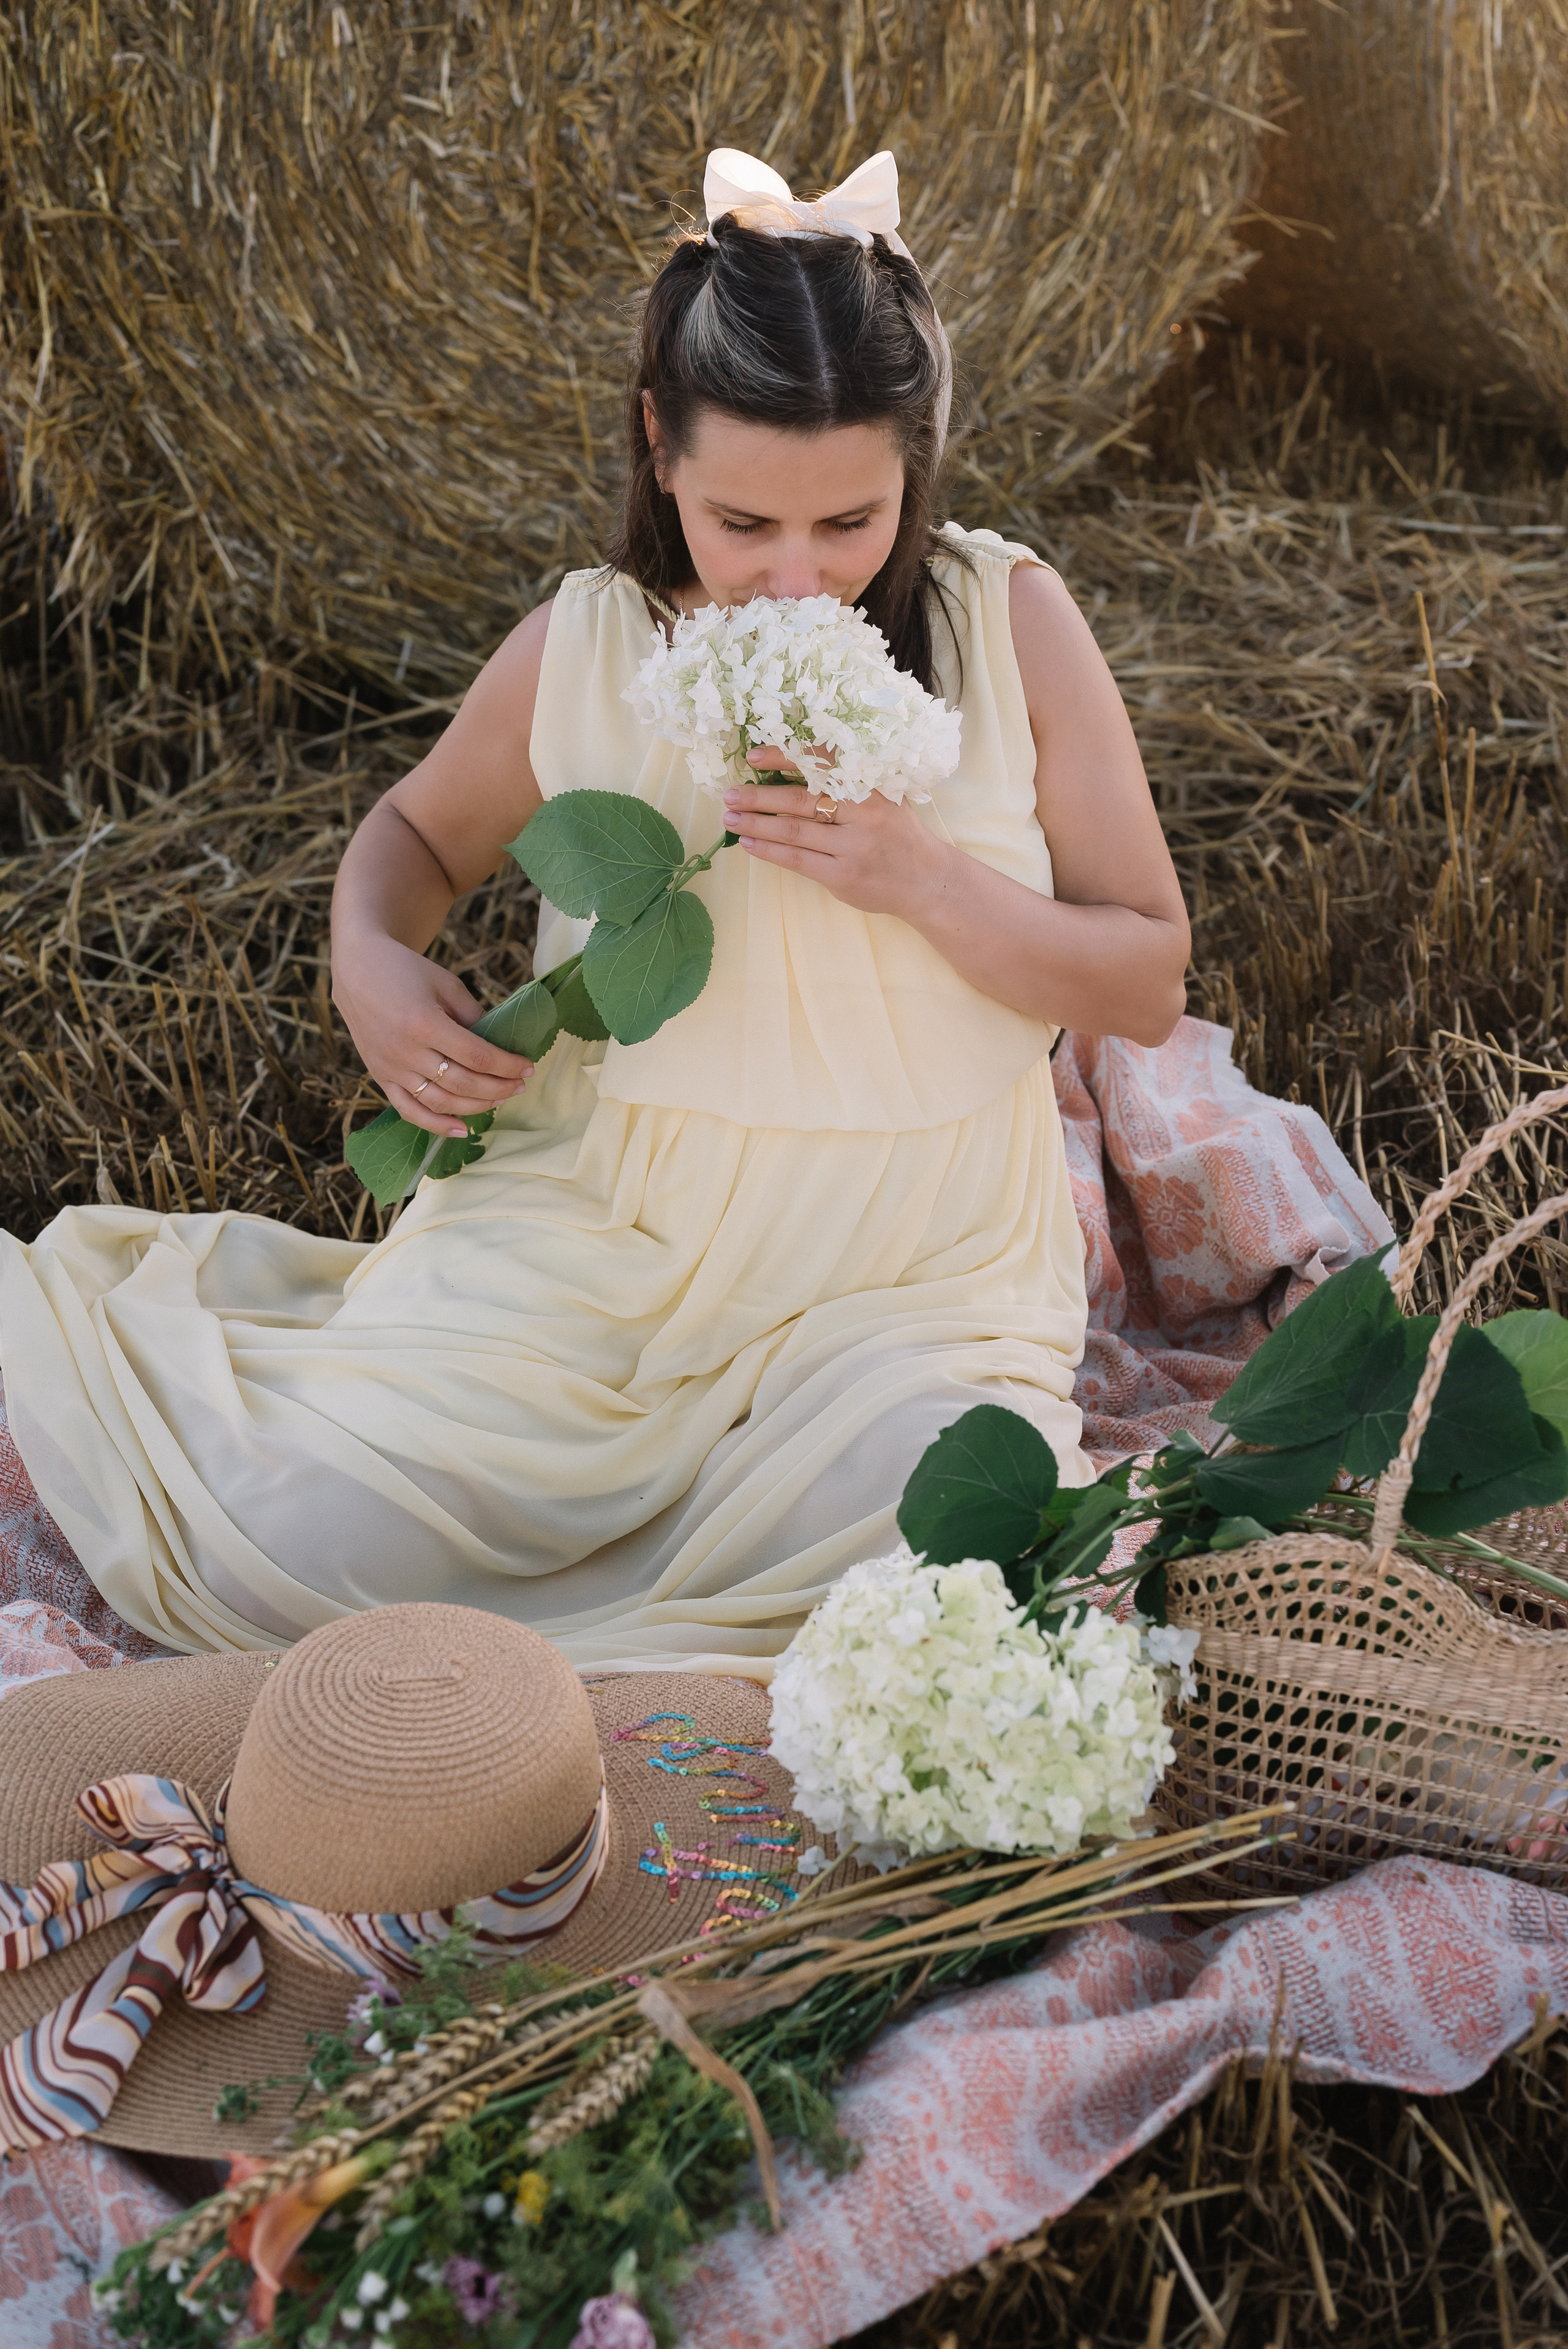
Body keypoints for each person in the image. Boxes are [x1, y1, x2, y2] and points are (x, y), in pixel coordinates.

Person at [0, 149, 1188, 1667]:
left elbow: (1145, 978)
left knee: (918, 1555)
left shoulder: (1006, 624)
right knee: (304, 1540)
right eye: (743, 523)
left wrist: (923, 879)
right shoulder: (588, 644)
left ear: (917, 463)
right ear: (657, 448)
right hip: (598, 1230)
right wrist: (370, 963)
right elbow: (412, 836)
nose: (795, 580)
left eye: (850, 521)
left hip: (911, 1276)